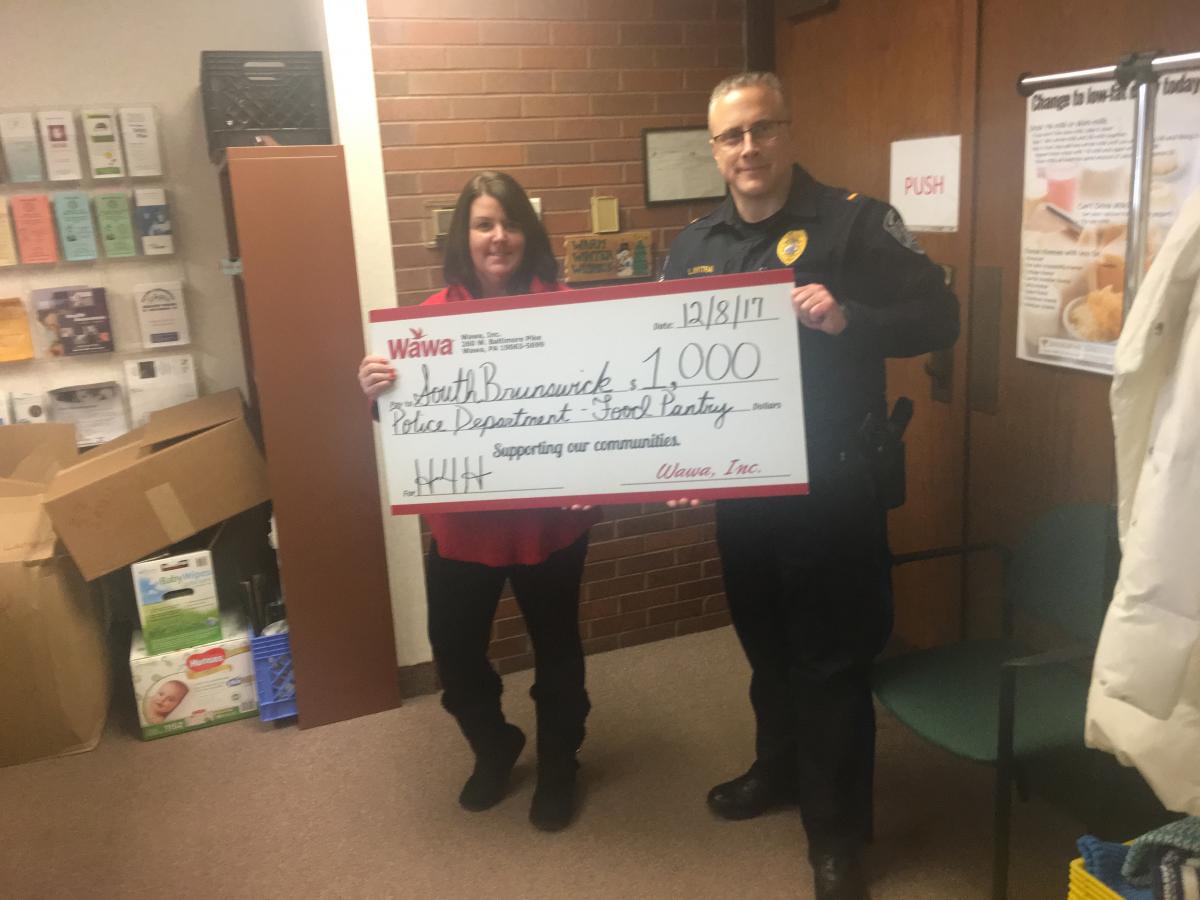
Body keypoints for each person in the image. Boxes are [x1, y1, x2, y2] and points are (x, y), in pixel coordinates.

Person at [662, 73, 959, 900]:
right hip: (743, 492)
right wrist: (674, 458)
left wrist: (850, 316)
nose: (748, 147)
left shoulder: (855, 223)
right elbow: (672, 372)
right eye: (732, 136)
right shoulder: (693, 246)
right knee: (766, 650)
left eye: (763, 128)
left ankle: (837, 836)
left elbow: (941, 317)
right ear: (714, 149)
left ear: (789, 132)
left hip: (833, 488)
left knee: (831, 663)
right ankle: (779, 769)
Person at [358, 172, 600, 832]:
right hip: (465, 527)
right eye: (484, 224)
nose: (499, 237)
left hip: (551, 524)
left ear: (529, 233)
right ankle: (496, 745)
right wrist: (377, 394)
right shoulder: (427, 320)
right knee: (455, 656)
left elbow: (602, 401)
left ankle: (560, 764)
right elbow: (411, 420)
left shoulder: (571, 310)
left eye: (511, 223)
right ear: (463, 237)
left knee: (558, 653)